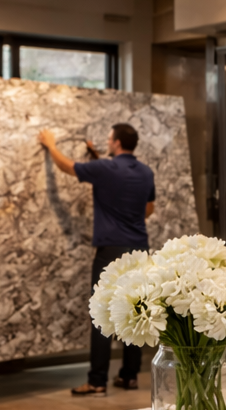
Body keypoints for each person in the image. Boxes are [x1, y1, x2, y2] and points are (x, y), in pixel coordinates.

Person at [38, 123, 156, 395]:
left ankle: (97, 380)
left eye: (108, 139)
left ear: (115, 143)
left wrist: (51, 144)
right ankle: (129, 376)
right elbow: (148, 209)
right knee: (136, 312)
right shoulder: (145, 172)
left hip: (110, 251)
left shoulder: (105, 170)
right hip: (139, 249)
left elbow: (68, 167)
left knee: (102, 314)